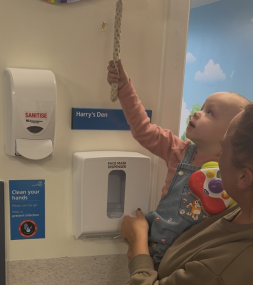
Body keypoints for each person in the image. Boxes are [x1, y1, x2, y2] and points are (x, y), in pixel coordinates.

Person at [107, 60, 250, 263]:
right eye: (202, 107)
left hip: (195, 255)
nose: (198, 112)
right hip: (156, 247)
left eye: (210, 112)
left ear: (230, 134)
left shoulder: (233, 173)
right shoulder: (178, 150)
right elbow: (142, 129)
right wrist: (124, 88)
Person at [120, 104, 253, 284]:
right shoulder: (240, 208)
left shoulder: (223, 269)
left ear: (244, 177)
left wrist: (138, 242)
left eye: (223, 148)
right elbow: (143, 129)